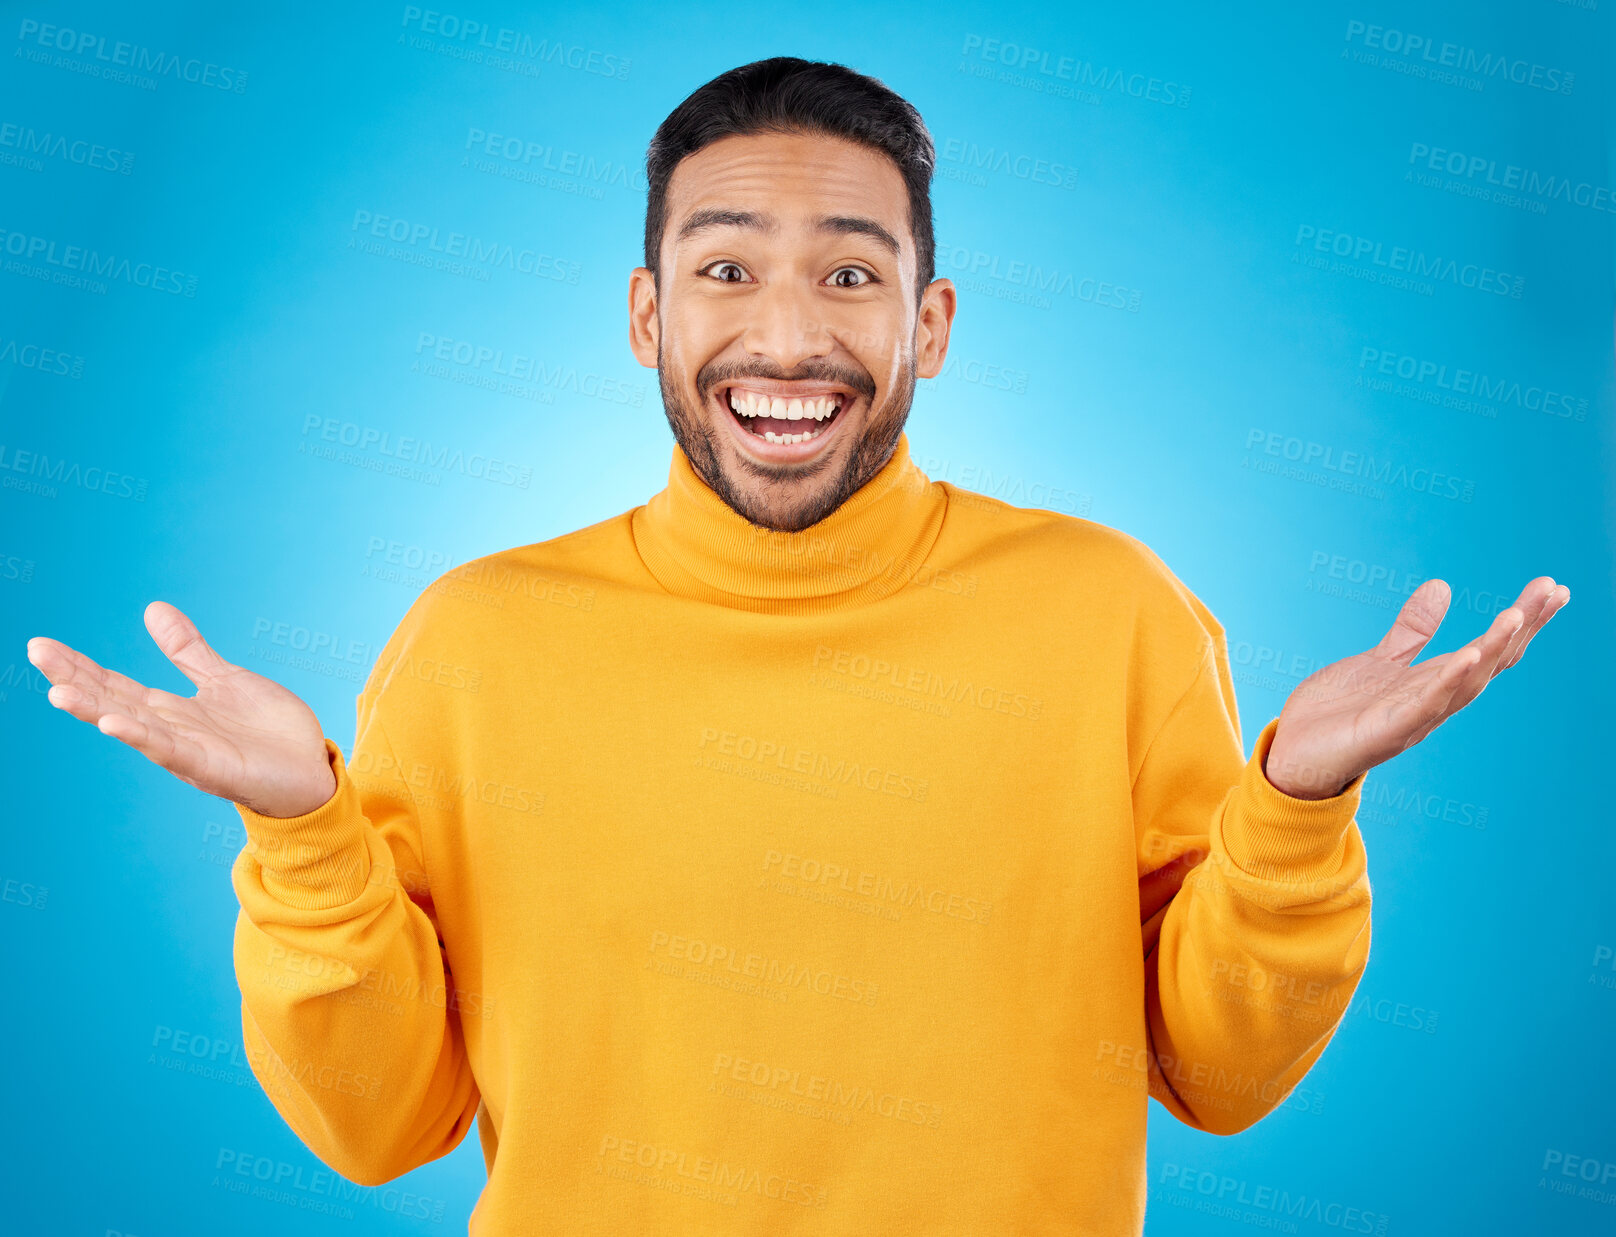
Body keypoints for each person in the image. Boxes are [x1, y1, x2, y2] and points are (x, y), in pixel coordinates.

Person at [25, 57, 1567, 1236]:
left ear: (932, 323)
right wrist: (302, 837)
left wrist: (1295, 803)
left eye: (850, 272)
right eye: (723, 268)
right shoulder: (477, 642)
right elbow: (379, 1124)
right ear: (646, 314)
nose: (784, 338)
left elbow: (1219, 1079)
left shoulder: (1110, 609)